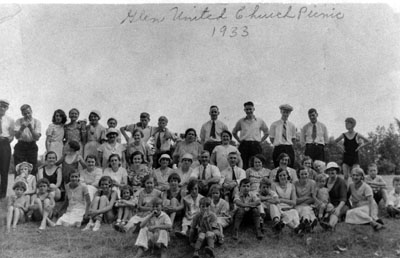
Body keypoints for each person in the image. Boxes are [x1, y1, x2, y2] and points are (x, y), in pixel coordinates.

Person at [232, 101, 269, 170]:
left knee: (256, 163)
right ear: (244, 110)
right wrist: (239, 140)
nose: (249, 111)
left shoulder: (259, 121)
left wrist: (260, 141)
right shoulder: (241, 121)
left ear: (253, 109)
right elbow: (234, 132)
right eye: (247, 109)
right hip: (244, 145)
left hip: (255, 145)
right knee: (243, 164)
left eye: (250, 109)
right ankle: (244, 180)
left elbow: (266, 132)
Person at [334, 117, 370, 182]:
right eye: (345, 123)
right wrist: (341, 148)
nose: (346, 125)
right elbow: (335, 141)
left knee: (356, 176)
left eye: (347, 123)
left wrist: (360, 147)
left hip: (355, 157)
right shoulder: (344, 134)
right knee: (345, 176)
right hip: (346, 157)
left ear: (352, 124)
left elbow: (368, 141)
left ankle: (357, 190)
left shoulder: (357, 134)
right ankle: (346, 191)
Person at [14, 104, 41, 176]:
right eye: (25, 113)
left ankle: (32, 186)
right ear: (22, 113)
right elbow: (16, 136)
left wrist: (31, 128)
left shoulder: (36, 122)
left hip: (32, 145)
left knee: (33, 168)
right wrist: (21, 128)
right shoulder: (18, 121)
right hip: (20, 145)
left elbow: (37, 137)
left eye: (28, 112)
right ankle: (18, 186)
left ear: (31, 111)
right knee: (18, 167)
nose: (27, 115)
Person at [271, 168, 300, 233]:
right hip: (279, 208)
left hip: (289, 208)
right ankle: (296, 229)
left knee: (294, 214)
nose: (282, 177)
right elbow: (275, 200)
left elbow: (294, 202)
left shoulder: (292, 186)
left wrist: (281, 200)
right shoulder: (274, 185)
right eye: (280, 175)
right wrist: (283, 201)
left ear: (287, 175)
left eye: (284, 175)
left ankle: (297, 227)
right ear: (277, 177)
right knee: (285, 216)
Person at [321, 162, 348, 230]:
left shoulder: (341, 182)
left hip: (341, 204)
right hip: (330, 204)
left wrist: (338, 208)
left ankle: (330, 225)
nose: (331, 172)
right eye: (329, 170)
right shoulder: (325, 181)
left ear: (337, 171)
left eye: (333, 170)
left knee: (335, 213)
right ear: (327, 171)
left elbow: (343, 198)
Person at [294, 168, 317, 233]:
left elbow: (313, 198)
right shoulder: (295, 184)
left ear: (308, 174)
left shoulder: (312, 183)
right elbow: (295, 200)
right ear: (298, 174)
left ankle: (306, 222)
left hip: (308, 205)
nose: (304, 176)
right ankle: (311, 221)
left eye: (305, 174)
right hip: (298, 205)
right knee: (304, 209)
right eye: (302, 174)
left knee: (306, 208)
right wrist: (307, 197)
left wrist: (301, 201)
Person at [0, 99, 14, 199]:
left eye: (4, 107)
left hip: (4, 144)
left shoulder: (10, 120)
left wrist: (6, 139)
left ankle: (2, 194)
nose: (2, 108)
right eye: (0, 106)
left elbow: (12, 135)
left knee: (4, 169)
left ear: (7, 108)